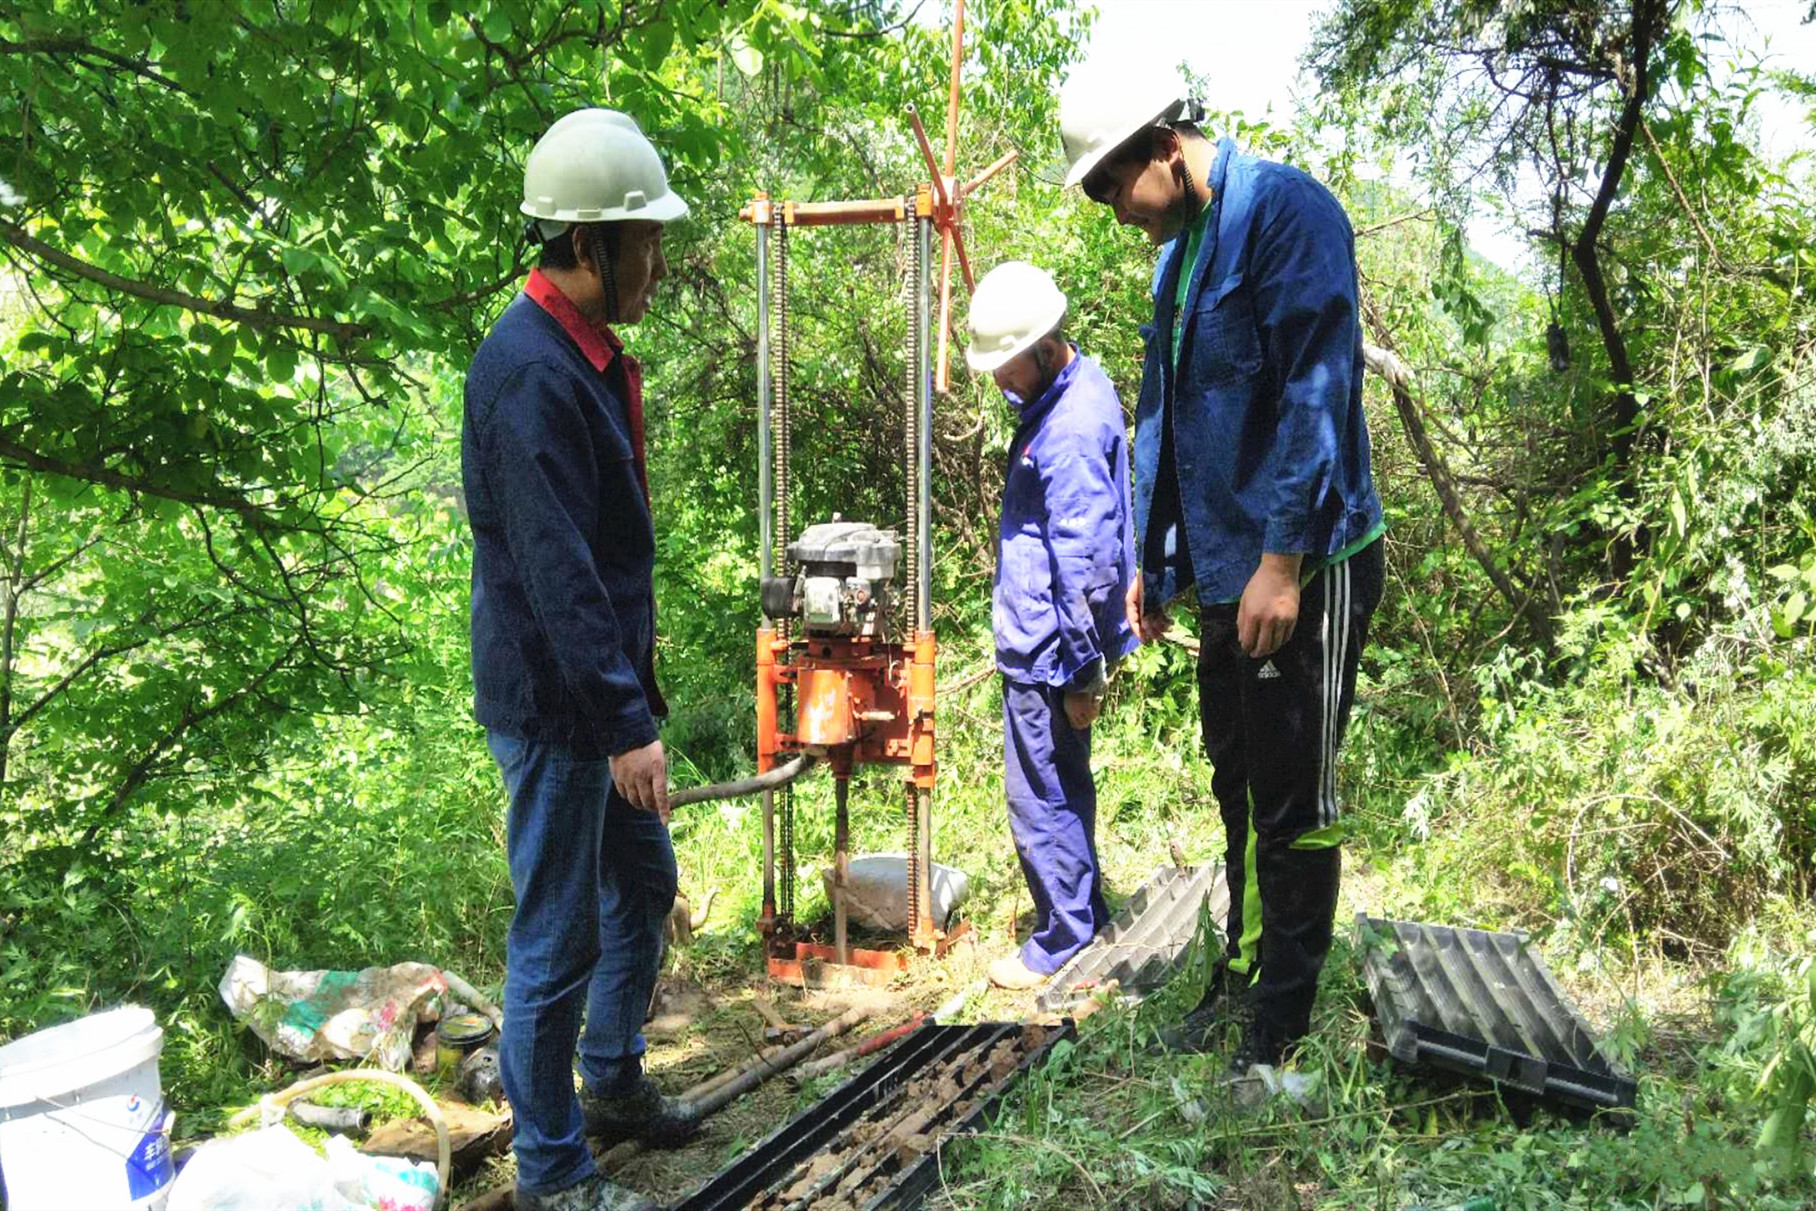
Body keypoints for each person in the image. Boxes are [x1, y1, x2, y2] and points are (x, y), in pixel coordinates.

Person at [1058, 64, 1386, 1072]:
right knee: (1237, 779)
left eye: (1114, 185)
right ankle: (1243, 974)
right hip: (1225, 566)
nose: (1115, 211)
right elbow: (1167, 413)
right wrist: (1152, 561)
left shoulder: (1287, 215)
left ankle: (1282, 1019)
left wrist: (1283, 563)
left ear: (1165, 146)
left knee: (1293, 797)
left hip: (1304, 562)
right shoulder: (1181, 256)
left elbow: (1316, 395)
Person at [462, 108, 698, 1211]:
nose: (660, 263)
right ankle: (554, 1172)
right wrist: (623, 725)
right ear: (590, 245)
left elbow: (603, 560)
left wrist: (632, 702)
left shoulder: (580, 355)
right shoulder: (530, 374)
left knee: (642, 886)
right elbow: (559, 575)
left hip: (597, 697)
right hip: (558, 709)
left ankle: (610, 1081)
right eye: (646, 242)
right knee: (555, 938)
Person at [966, 261, 1139, 991]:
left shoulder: (1065, 432)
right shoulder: (1077, 388)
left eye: (1006, 366)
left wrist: (1082, 671)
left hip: (1051, 649)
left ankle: (1062, 936)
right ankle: (1083, 912)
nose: (1000, 380)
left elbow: (1085, 559)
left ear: (1041, 348)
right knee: (1064, 780)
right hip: (1053, 639)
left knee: (1041, 795)